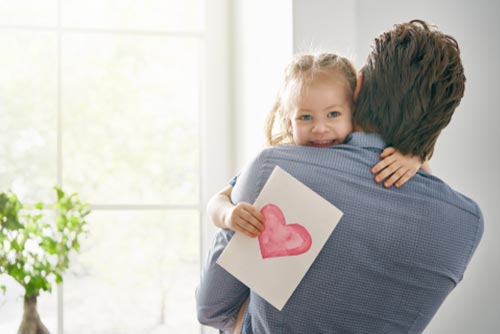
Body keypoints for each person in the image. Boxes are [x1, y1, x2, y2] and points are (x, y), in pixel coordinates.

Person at [196, 19, 484, 334]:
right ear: (440, 124)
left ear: (357, 86)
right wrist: (418, 150)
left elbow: (212, 309)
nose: (320, 126)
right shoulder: (466, 223)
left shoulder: (275, 170)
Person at [208, 53, 429, 239]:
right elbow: (217, 201)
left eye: (333, 114)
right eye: (305, 118)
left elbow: (428, 183)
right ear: (288, 122)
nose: (320, 128)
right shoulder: (282, 159)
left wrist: (414, 157)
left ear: (354, 113)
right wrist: (229, 215)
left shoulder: (368, 154)